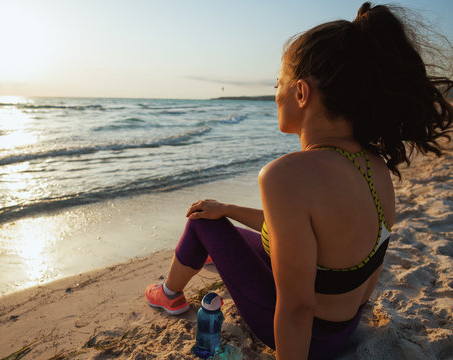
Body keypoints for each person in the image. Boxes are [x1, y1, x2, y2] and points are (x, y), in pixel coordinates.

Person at [145, 2, 453, 359]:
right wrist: (227, 208)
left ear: (302, 93)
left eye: (279, 83)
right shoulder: (375, 166)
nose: (276, 93)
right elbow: (307, 234)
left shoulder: (285, 175)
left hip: (311, 339)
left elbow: (297, 308)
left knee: (201, 225)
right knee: (217, 216)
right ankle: (190, 272)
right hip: (346, 322)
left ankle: (168, 294)